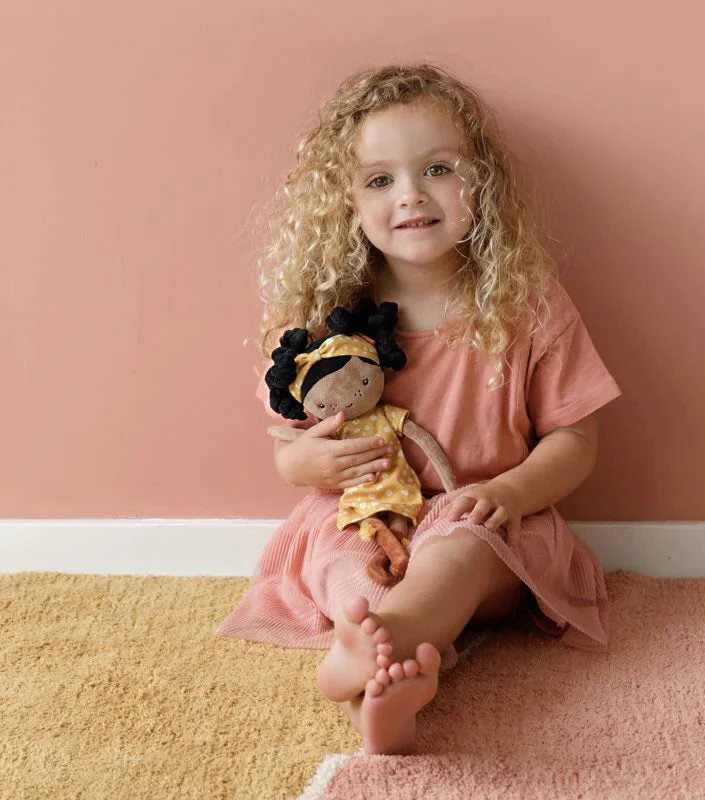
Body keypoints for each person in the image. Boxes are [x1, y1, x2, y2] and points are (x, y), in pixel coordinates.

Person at [218, 63, 621, 756]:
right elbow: (290, 448)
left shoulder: (525, 302)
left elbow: (574, 439)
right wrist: (308, 464)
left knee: (457, 551)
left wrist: (509, 492)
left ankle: (388, 637)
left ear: (481, 181)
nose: (410, 195)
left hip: (483, 514)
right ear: (346, 203)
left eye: (437, 169)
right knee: (343, 563)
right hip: (365, 515)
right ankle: (378, 699)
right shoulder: (326, 316)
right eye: (380, 180)